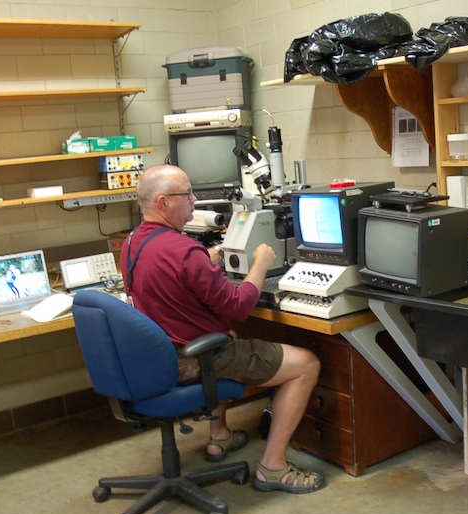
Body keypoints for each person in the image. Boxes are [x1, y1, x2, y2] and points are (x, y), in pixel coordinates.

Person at [120, 164, 324, 494]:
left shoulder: (133, 242)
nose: (194, 199)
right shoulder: (184, 252)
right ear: (162, 202)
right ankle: (273, 467)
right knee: (306, 364)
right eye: (187, 194)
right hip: (191, 362)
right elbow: (239, 307)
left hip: (160, 358)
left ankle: (219, 436)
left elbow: (174, 272)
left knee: (229, 335)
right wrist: (261, 262)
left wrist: (209, 256)